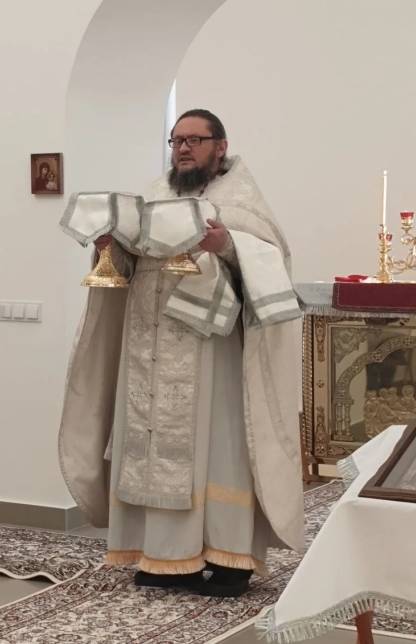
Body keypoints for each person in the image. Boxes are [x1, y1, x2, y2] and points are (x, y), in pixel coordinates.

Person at [59, 109, 304, 598]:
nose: (184, 149)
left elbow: (272, 260)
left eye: (194, 140)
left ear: (220, 145)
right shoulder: (154, 194)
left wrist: (227, 243)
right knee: (149, 448)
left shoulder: (241, 201)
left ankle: (229, 559)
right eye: (176, 141)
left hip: (210, 348)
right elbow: (128, 261)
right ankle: (164, 555)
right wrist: (110, 244)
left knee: (219, 449)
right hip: (146, 344)